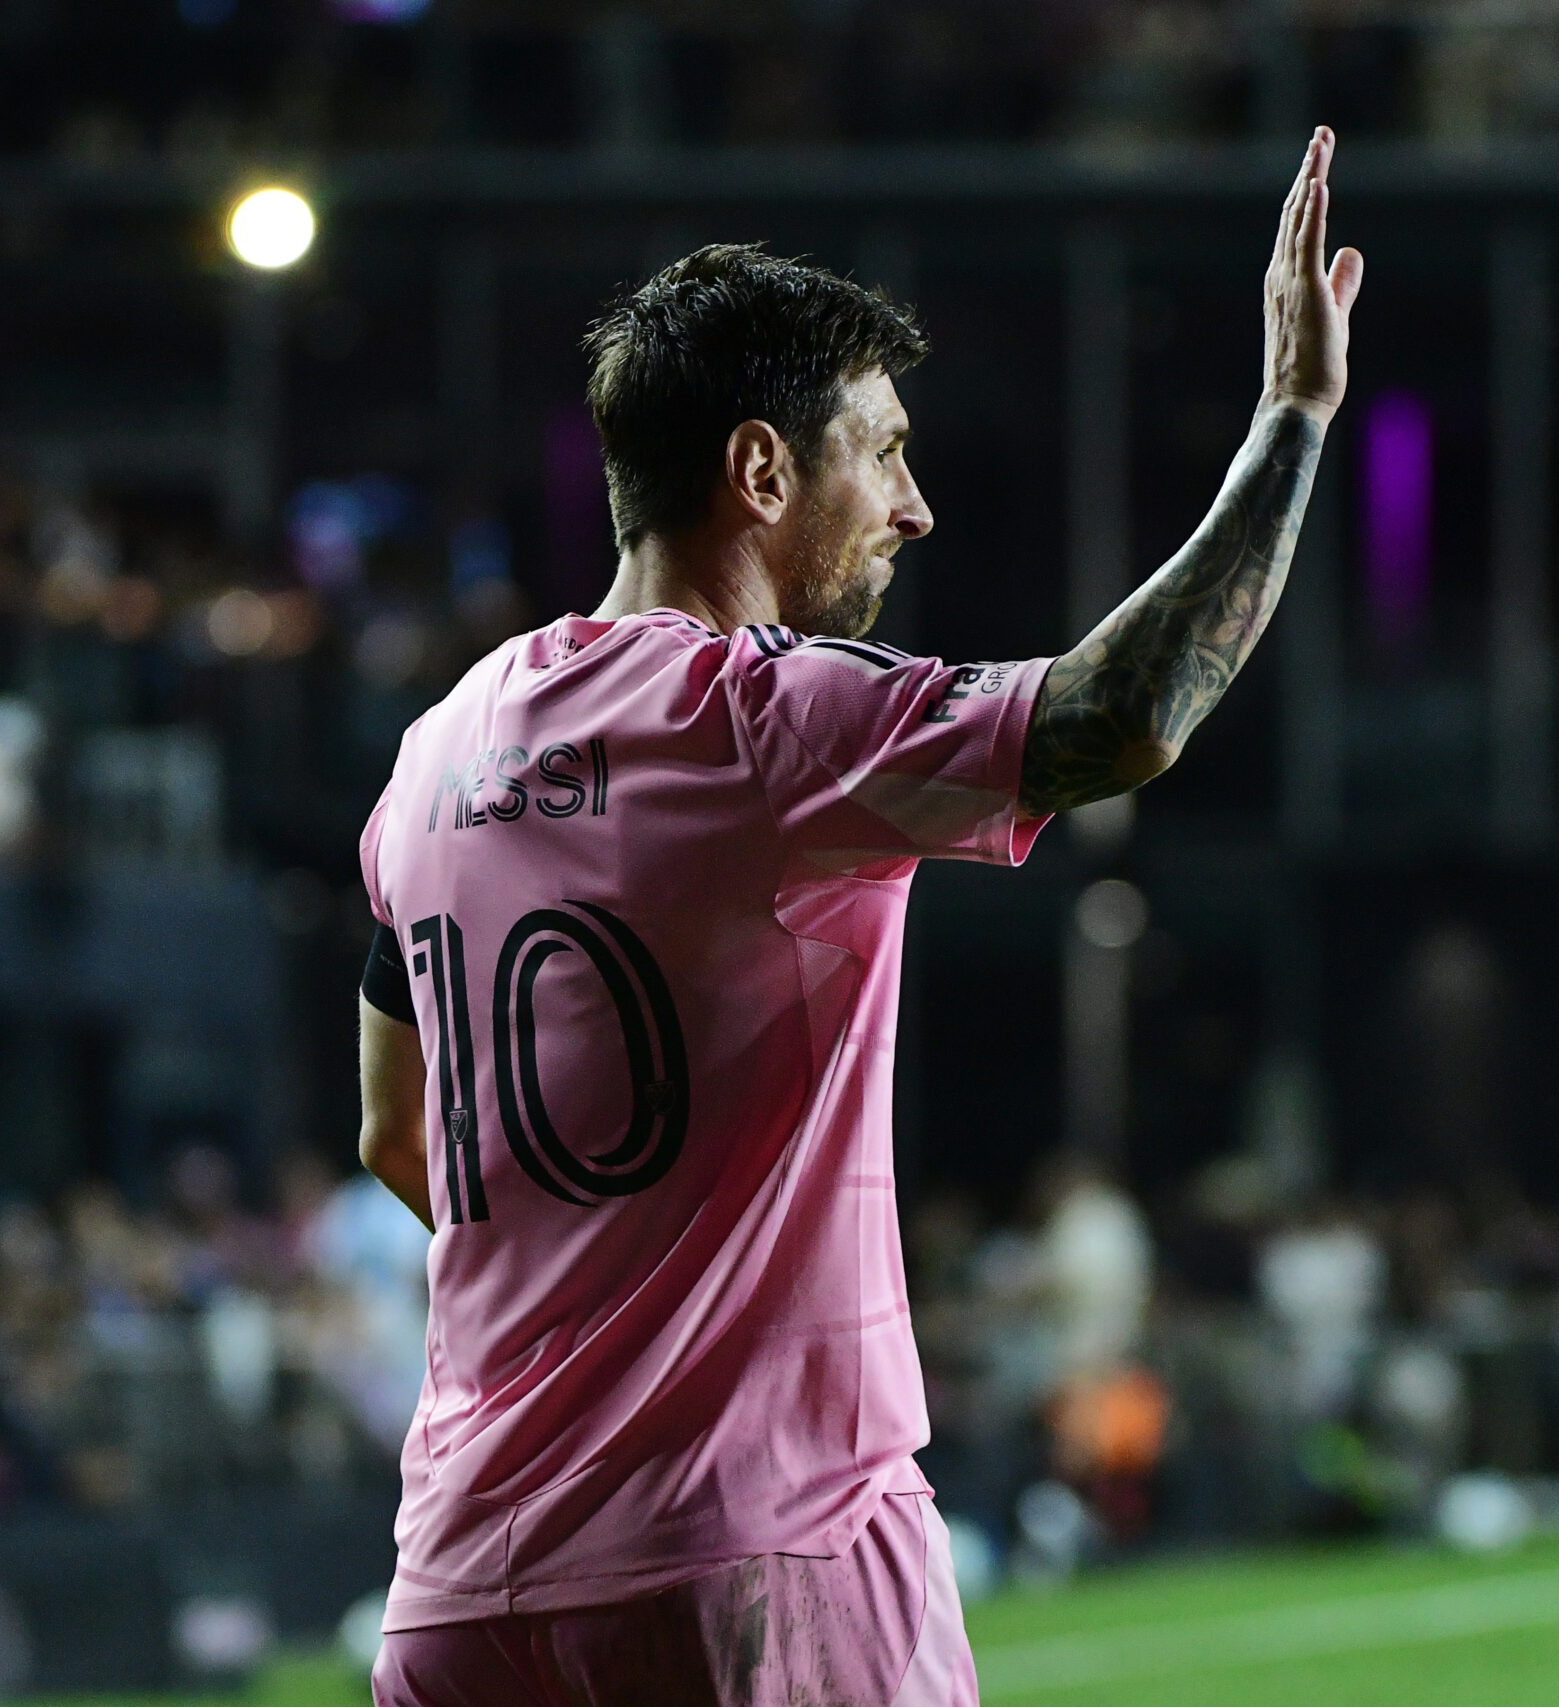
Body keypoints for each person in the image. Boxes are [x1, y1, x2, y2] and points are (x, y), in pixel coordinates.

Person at [354, 128, 1363, 1707]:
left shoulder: (431, 758)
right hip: (754, 1558)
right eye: (882, 451)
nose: (916, 507)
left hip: (460, 1597)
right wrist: (1291, 424)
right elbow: (1127, 714)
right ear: (762, 471)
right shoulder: (765, 716)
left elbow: (397, 1137)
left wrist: (612, 1291)